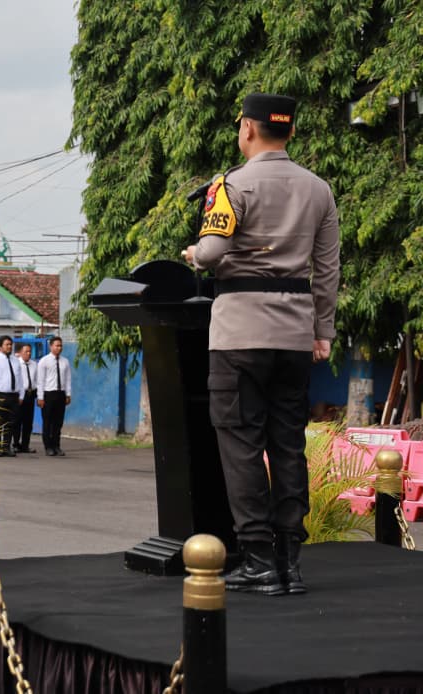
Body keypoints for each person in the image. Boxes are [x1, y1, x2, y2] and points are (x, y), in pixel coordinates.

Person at [182, 93, 340, 596]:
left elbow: (210, 253)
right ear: (288, 131)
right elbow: (327, 268)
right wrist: (323, 331)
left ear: (247, 129)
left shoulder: (231, 185)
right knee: (288, 444)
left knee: (242, 444)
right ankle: (291, 561)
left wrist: (192, 252)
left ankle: (257, 559)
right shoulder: (319, 190)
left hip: (239, 334)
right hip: (294, 335)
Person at [37, 336, 72, 456]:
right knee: (47, 421)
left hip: (60, 393)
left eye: (60, 345)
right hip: (48, 393)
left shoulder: (65, 361)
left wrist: (68, 394)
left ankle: (57, 445)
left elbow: (67, 379)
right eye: (56, 345)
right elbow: (40, 380)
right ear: (50, 346)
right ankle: (48, 447)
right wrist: (40, 397)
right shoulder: (44, 361)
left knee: (58, 422)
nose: (59, 348)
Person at [14, 344, 38, 454]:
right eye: (26, 352)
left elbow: (37, 380)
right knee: (17, 421)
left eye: (29, 351)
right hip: (19, 394)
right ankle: (15, 444)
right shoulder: (16, 364)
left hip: (30, 393)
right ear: (20, 352)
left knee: (28, 422)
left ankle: (25, 445)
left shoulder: (34, 364)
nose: (28, 354)